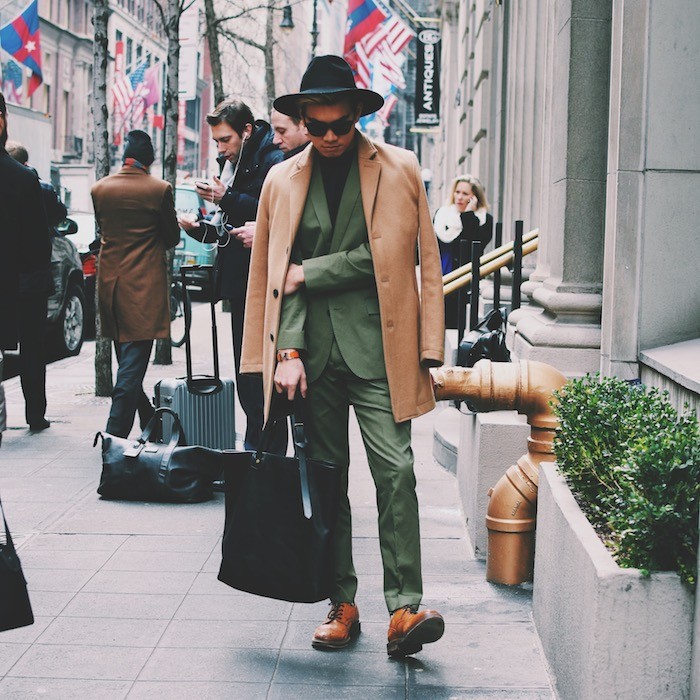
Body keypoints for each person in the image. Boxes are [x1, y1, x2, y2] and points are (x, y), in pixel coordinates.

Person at [241, 55, 446, 657]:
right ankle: (342, 602)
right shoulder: (281, 179)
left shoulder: (400, 168)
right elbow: (276, 277)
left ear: (358, 115)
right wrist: (286, 351)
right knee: (327, 484)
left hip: (382, 349)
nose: (330, 136)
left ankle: (405, 609)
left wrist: (429, 345)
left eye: (340, 125)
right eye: (318, 124)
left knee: (398, 473)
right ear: (303, 118)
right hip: (313, 358)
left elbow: (407, 260)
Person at [178, 100, 286, 453]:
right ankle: (258, 450)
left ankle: (264, 453)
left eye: (225, 140)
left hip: (263, 282)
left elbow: (270, 211)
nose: (220, 148)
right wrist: (200, 229)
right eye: (217, 142)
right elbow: (231, 229)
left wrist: (226, 198)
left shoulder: (271, 159)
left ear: (246, 131)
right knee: (246, 371)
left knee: (256, 374)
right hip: (241, 280)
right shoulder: (233, 163)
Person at [92, 130, 180, 438]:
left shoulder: (99, 189)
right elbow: (172, 238)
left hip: (111, 290)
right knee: (129, 374)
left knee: (128, 367)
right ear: (150, 161)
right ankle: (112, 440)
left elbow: (104, 230)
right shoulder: (159, 190)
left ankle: (150, 423)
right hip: (143, 292)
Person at [6, 140, 68, 431]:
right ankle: (35, 414)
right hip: (28, 279)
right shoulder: (29, 181)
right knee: (32, 348)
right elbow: (39, 235)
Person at [0, 93, 51, 436]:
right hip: (18, 283)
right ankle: (35, 413)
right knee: (32, 350)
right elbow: (37, 247)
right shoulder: (21, 178)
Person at [433, 174, 493, 328]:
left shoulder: (484, 220)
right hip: (439, 277)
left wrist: (468, 215)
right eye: (457, 192)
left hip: (463, 282)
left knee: (455, 325)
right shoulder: (442, 215)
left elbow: (473, 247)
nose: (459, 197)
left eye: (465, 194)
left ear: (474, 197)